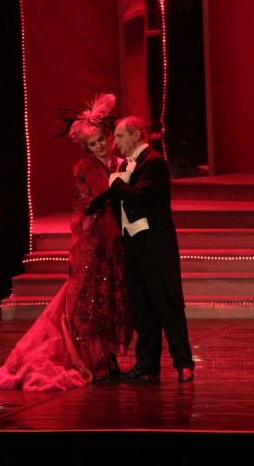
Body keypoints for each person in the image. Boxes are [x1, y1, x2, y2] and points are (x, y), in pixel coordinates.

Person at [0, 93, 133, 391]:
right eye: (92, 144)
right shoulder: (86, 169)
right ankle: (99, 358)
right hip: (95, 243)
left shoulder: (122, 163)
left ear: (109, 137)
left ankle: (110, 358)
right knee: (92, 300)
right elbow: (83, 208)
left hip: (118, 244)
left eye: (101, 140)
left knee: (114, 299)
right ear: (87, 148)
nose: (99, 146)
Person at [89, 115, 195, 383]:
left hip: (155, 247)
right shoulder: (128, 166)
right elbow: (116, 198)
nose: (114, 142)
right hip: (133, 246)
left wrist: (114, 182)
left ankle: (183, 363)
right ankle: (147, 364)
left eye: (120, 136)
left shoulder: (154, 163)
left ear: (136, 135)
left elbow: (137, 195)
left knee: (167, 304)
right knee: (142, 308)